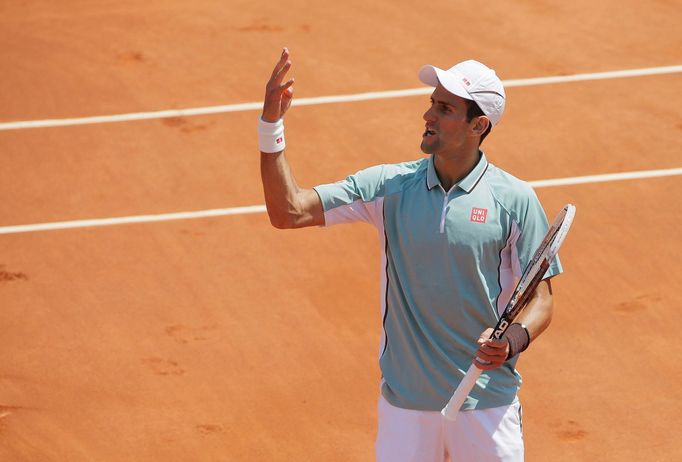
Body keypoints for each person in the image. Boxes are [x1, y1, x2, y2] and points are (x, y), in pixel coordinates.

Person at [257, 48, 561, 462]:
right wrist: (271, 125)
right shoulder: (390, 185)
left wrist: (511, 340)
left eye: (445, 108)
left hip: (487, 404)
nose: (429, 115)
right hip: (407, 406)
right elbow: (288, 211)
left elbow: (540, 299)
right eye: (432, 103)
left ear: (478, 125)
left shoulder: (515, 201)